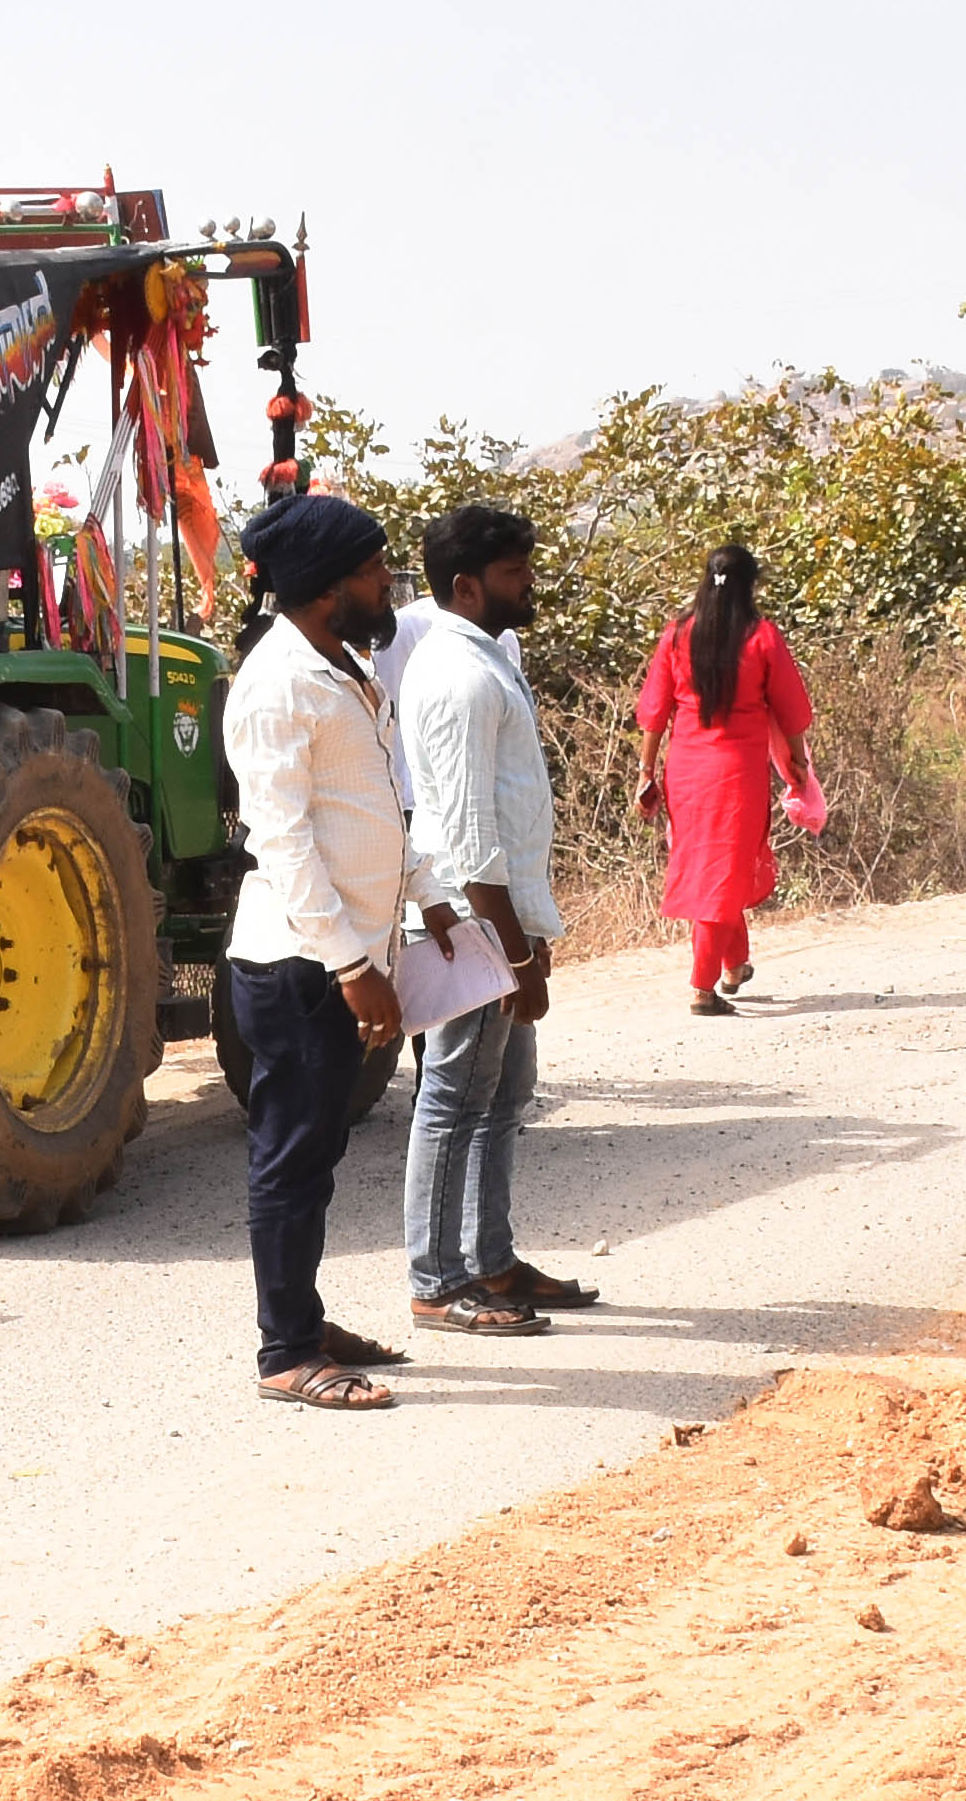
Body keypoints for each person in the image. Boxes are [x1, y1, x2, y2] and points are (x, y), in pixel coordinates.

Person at [220, 492, 414, 1413]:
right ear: (329, 589)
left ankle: (304, 1314)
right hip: (300, 966)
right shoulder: (276, 686)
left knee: (317, 1149)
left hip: (341, 957)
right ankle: (287, 1351)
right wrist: (350, 965)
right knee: (292, 1158)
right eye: (373, 570)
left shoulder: (338, 665)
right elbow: (284, 842)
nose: (386, 583)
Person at [395, 501, 591, 1337]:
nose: (529, 584)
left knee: (503, 1094)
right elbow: (472, 838)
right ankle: (438, 1282)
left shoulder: (484, 658)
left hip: (497, 920)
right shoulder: (461, 675)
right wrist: (517, 956)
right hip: (475, 926)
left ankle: (494, 1263)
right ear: (467, 586)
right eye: (514, 574)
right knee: (453, 1098)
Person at [629, 538, 818, 1015]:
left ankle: (734, 965)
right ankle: (702, 985)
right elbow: (791, 710)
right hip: (738, 774)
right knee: (723, 869)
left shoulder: (676, 636)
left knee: (712, 866)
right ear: (749, 586)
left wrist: (646, 772)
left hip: (687, 772)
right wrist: (798, 765)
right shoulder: (762, 637)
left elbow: (654, 712)